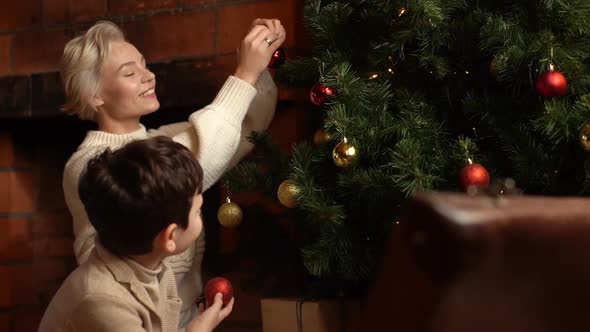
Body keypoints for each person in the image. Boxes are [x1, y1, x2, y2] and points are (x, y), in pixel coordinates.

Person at [60, 18, 285, 329]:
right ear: (95, 95)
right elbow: (196, 158)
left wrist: (258, 63)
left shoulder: (160, 142)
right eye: (129, 72)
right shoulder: (94, 165)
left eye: (144, 65)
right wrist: (244, 73)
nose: (148, 76)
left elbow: (244, 126)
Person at [39, 136, 234, 332]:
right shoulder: (104, 302)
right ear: (170, 237)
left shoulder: (156, 269)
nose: (201, 214)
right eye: (198, 212)